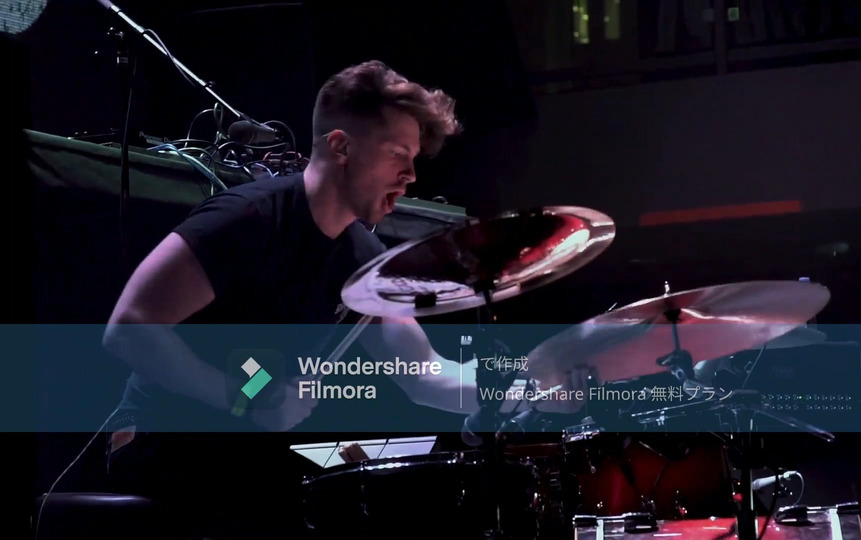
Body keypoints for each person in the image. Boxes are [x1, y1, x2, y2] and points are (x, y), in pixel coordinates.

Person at [100, 60, 588, 539]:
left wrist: (525, 387)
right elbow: (130, 328)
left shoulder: (361, 259)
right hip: (162, 441)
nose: (411, 174)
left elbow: (422, 373)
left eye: (414, 158)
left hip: (243, 456)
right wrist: (244, 398)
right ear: (340, 146)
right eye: (398, 154)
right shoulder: (248, 220)